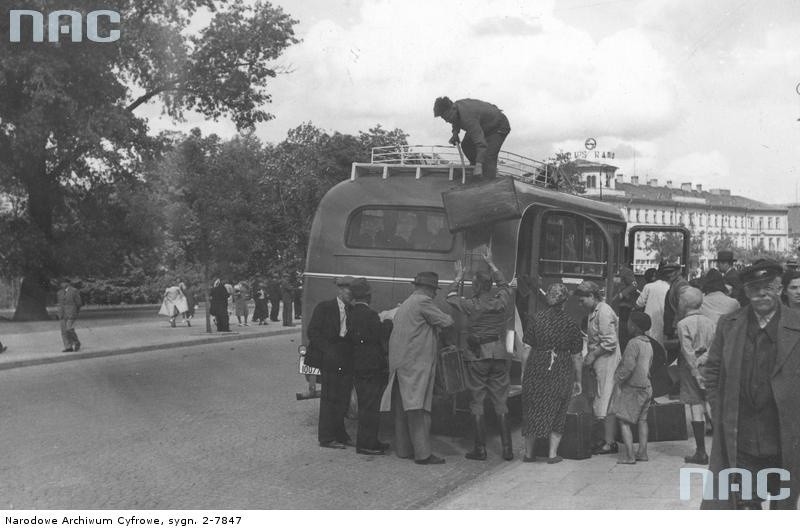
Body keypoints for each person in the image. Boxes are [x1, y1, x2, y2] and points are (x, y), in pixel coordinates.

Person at [702, 259, 800, 509]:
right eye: (755, 289)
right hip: (741, 433)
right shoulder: (729, 324)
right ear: (746, 292)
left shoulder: (796, 325)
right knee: (743, 502)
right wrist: (718, 407)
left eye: (768, 287)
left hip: (782, 432)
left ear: (779, 289)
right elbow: (712, 369)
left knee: (783, 502)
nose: (762, 294)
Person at [446, 247, 515, 461]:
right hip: (499, 353)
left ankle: (480, 449)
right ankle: (507, 450)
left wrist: (458, 276)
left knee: (477, 401)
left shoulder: (470, 304)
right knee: (501, 401)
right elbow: (505, 285)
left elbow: (449, 296)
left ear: (475, 287)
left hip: (477, 355)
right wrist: (492, 264)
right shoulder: (500, 301)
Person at [379, 271, 454, 465]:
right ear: (428, 288)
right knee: (418, 408)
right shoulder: (423, 302)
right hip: (415, 364)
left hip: (400, 363)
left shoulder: (407, 302)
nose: (435, 294)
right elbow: (447, 321)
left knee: (402, 408)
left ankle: (403, 450)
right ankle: (423, 454)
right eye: (434, 290)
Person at [521, 283, 583, 463]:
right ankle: (552, 455)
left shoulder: (536, 319)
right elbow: (577, 356)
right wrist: (578, 380)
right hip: (561, 368)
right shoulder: (571, 323)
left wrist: (524, 371)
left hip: (536, 366)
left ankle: (528, 454)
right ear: (564, 301)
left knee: (532, 409)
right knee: (558, 408)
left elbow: (526, 348)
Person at [307, 277, 355, 449]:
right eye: (349, 292)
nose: (351, 296)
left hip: (345, 357)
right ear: (340, 290)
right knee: (329, 398)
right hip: (329, 357)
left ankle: (340, 434)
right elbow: (312, 331)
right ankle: (326, 438)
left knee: (343, 397)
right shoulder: (324, 307)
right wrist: (328, 350)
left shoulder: (353, 310)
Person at [345, 278, 391, 455]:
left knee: (367, 406)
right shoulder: (370, 315)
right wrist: (388, 321)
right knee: (370, 408)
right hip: (371, 367)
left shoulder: (352, 313)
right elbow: (380, 334)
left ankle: (371, 441)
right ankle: (366, 445)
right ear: (368, 296)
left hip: (358, 366)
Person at [574, 280, 621, 454]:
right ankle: (605, 440)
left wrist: (592, 355)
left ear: (591, 296)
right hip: (601, 362)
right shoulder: (595, 311)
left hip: (607, 362)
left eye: (582, 300)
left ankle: (609, 443)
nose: (580, 304)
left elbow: (610, 342)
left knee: (605, 401)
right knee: (603, 402)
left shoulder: (603, 312)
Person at [610, 311, 653, 465]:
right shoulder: (648, 343)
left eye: (628, 322)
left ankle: (629, 456)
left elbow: (628, 366)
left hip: (634, 387)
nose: (627, 325)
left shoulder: (633, 343)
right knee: (643, 420)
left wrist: (617, 380)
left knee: (623, 420)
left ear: (634, 326)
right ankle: (643, 452)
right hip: (647, 386)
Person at [433, 96, 511, 180]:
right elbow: (455, 120)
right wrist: (455, 134)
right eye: (444, 118)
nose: (446, 121)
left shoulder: (468, 117)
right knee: (466, 145)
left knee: (489, 156)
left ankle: (487, 183)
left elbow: (481, 144)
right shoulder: (456, 109)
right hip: (483, 126)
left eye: (447, 117)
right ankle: (477, 172)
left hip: (498, 126)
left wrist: (479, 165)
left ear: (453, 108)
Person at [635, 266, 670, 347]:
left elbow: (638, 304)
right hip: (664, 319)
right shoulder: (668, 286)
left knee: (649, 345)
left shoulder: (648, 287)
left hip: (650, 320)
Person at [610, 266, 639, 350]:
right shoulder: (611, 270)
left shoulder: (626, 271)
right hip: (616, 303)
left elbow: (634, 285)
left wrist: (622, 294)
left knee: (623, 328)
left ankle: (623, 347)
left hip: (626, 305)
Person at [57, 279, 83, 352]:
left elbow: (79, 303)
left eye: (63, 283)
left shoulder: (74, 291)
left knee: (69, 329)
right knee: (64, 331)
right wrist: (59, 313)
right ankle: (68, 347)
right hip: (62, 314)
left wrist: (75, 312)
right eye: (61, 283)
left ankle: (77, 342)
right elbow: (60, 304)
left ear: (68, 283)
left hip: (71, 314)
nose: (61, 284)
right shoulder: (59, 292)